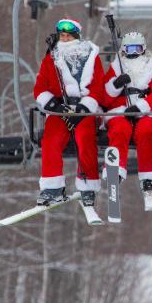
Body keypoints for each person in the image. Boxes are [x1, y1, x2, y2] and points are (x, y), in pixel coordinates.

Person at [33, 19, 104, 207]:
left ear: (77, 37)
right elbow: (40, 87)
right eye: (62, 36)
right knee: (50, 141)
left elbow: (98, 87)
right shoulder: (51, 58)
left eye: (69, 36)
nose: (65, 39)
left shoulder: (91, 57)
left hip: (84, 110)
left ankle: (87, 186)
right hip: (60, 110)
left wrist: (84, 108)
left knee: (85, 139)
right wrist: (55, 105)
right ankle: (52, 187)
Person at [101, 32, 152, 210]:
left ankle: (148, 182)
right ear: (123, 49)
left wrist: (140, 107)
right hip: (121, 109)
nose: (133, 53)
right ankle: (116, 171)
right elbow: (105, 99)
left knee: (145, 132)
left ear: (143, 49)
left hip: (146, 111)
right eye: (129, 49)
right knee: (119, 129)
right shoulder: (116, 67)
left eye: (137, 48)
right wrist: (115, 85)